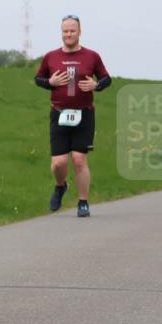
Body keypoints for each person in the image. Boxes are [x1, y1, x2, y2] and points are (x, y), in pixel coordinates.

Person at [35, 15, 111, 217]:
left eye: (72, 31)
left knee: (79, 160)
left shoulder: (92, 56)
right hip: (58, 114)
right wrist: (49, 82)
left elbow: (106, 78)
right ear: (61, 33)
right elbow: (38, 79)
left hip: (84, 115)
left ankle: (83, 202)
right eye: (65, 31)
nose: (68, 34)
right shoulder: (51, 56)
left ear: (79, 32)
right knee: (58, 163)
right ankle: (61, 186)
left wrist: (97, 85)